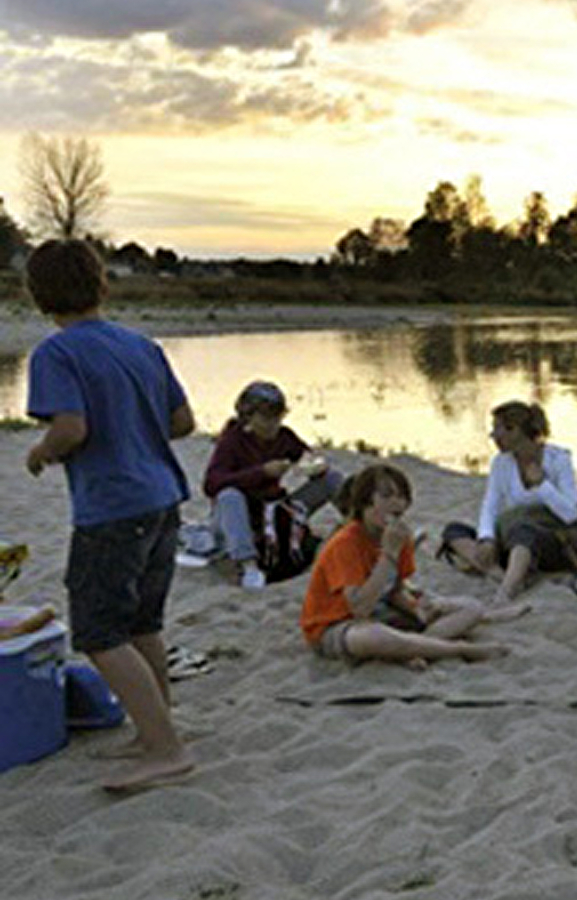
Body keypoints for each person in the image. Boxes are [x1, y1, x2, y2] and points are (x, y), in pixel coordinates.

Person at [23, 239, 196, 792]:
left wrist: (41, 451)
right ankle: (155, 731)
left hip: (114, 507)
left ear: (38, 295)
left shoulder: (57, 353)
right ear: (100, 283)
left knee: (99, 632)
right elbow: (184, 421)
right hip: (164, 498)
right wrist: (134, 432)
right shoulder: (141, 344)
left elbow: (71, 428)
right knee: (142, 622)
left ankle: (166, 748)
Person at [301, 464, 513, 666]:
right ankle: (459, 650)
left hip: (382, 613)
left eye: (401, 496)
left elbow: (394, 590)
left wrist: (414, 609)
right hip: (336, 624)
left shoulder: (401, 536)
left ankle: (413, 650)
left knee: (471, 608)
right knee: (370, 637)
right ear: (365, 502)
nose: (396, 502)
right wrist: (389, 554)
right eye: (386, 496)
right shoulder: (345, 543)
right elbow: (360, 609)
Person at [202, 380, 342, 589]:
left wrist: (314, 466)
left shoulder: (284, 436)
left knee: (333, 479)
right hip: (240, 515)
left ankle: (358, 526)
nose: (272, 424)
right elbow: (212, 483)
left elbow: (305, 456)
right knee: (229, 496)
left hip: (275, 509)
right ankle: (248, 565)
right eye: (266, 418)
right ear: (248, 416)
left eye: (277, 417)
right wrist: (261, 472)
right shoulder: (232, 441)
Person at [440, 401, 577, 606]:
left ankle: (506, 591)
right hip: (516, 543)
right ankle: (498, 574)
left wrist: (542, 485)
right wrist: (486, 538)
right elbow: (491, 505)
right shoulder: (502, 462)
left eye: (499, 429)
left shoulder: (558, 459)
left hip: (553, 543)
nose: (494, 436)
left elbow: (572, 514)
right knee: (454, 531)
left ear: (517, 431)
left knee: (523, 530)